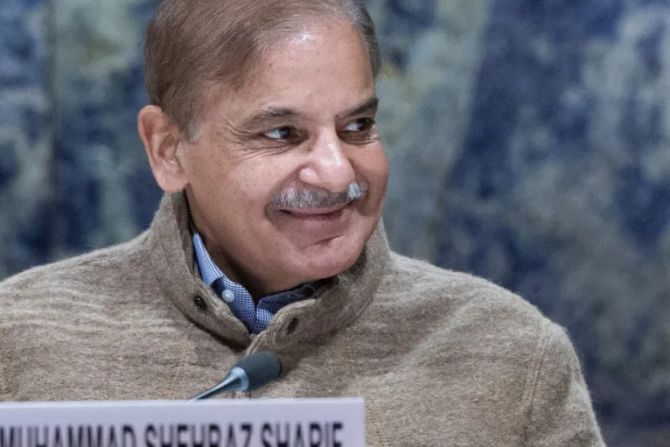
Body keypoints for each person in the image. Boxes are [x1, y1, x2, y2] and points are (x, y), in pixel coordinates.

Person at [0, 0, 604, 445]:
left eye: (357, 127)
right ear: (168, 149)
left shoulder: (517, 358)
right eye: (282, 133)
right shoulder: (17, 339)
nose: (337, 173)